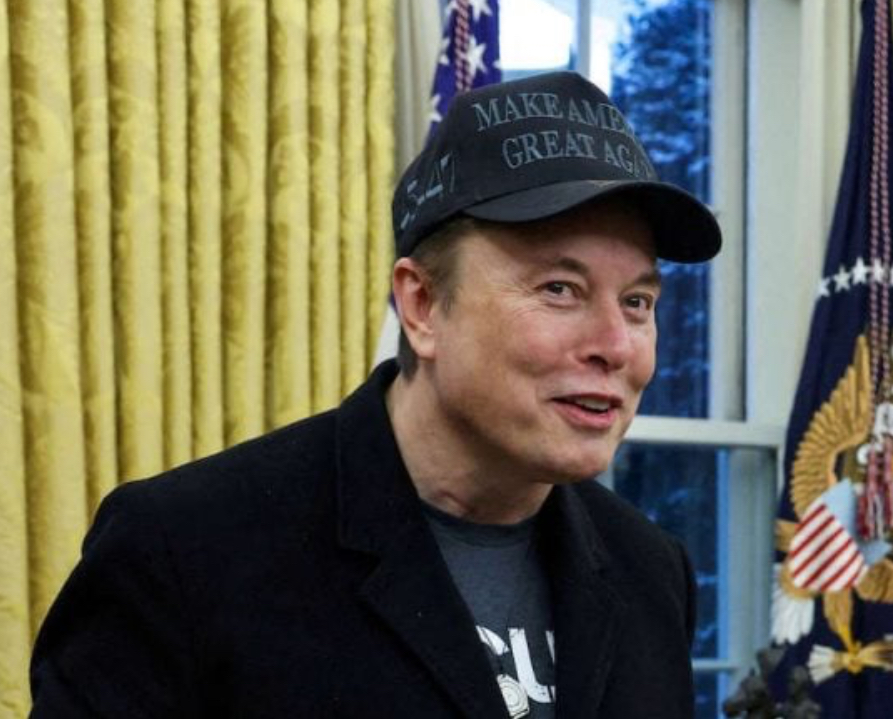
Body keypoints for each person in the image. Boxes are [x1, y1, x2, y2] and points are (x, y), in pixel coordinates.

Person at [30, 71, 721, 718]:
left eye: (637, 302)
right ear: (422, 305)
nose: (616, 345)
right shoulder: (183, 551)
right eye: (560, 289)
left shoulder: (650, 570)